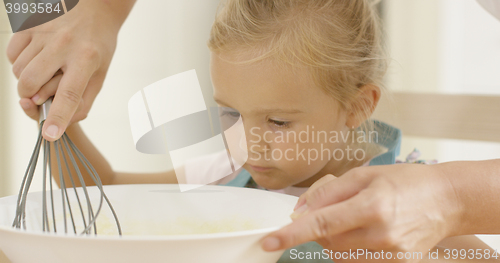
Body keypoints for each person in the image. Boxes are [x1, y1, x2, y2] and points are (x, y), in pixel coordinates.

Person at [9, 0, 500, 262]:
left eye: (279, 122)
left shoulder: (413, 194)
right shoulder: (228, 174)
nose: (250, 141)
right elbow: (107, 190)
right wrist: (59, 124)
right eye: (230, 114)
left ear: (356, 106)